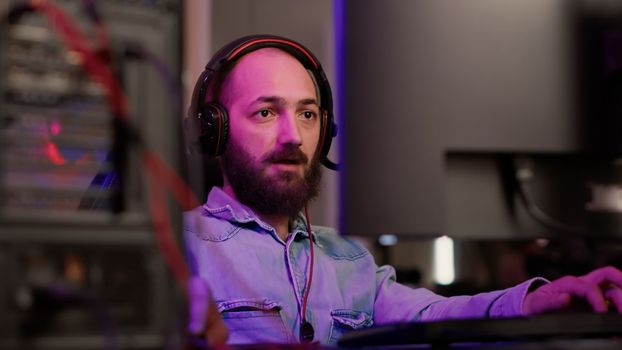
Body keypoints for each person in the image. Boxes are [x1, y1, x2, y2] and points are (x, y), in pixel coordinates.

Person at [183, 35, 622, 346]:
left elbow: (433, 317)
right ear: (214, 133)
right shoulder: (178, 248)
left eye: (308, 114)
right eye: (265, 113)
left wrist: (533, 302)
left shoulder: (348, 259)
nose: (293, 136)